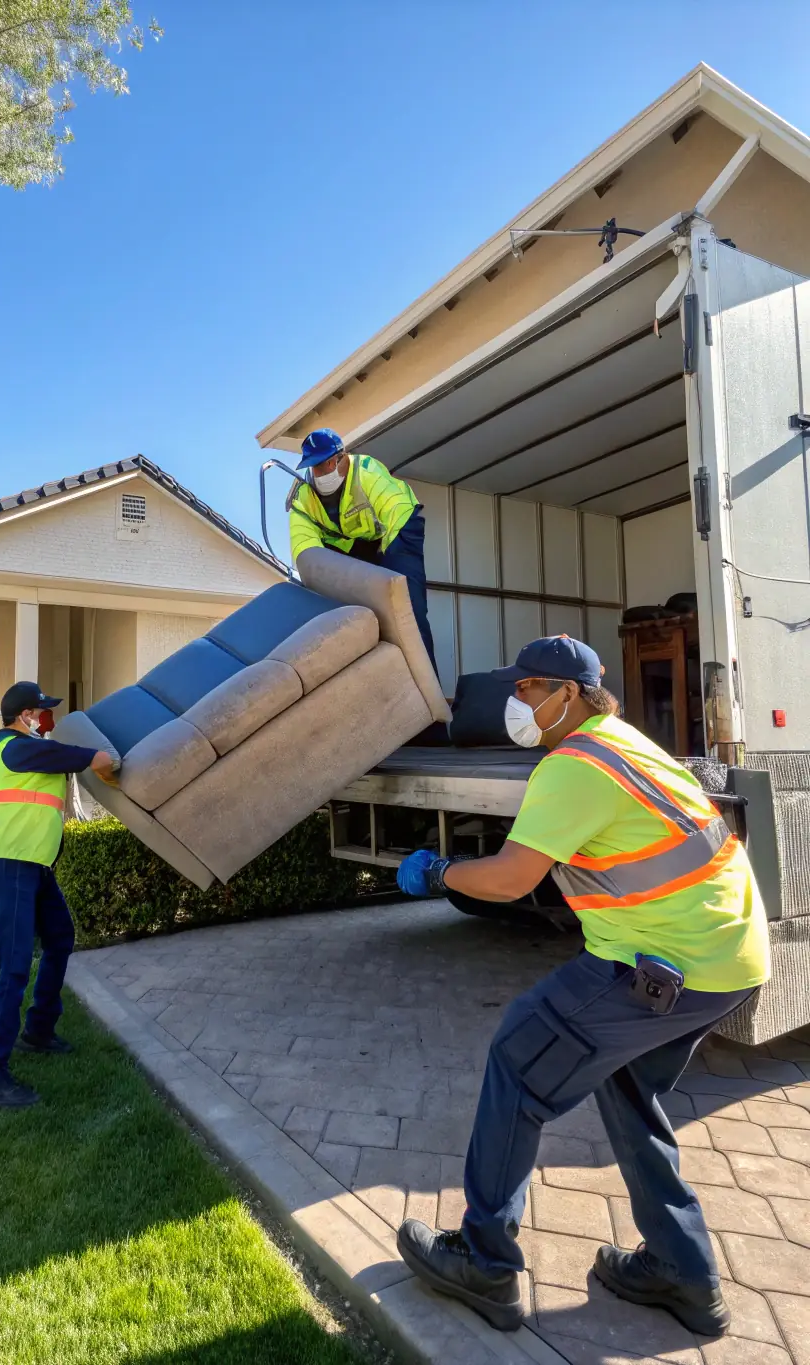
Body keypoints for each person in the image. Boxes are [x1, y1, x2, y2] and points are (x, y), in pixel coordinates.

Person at [393, 635, 770, 1336]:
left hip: (666, 962)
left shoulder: (575, 765)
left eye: (529, 687)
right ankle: (683, 1272)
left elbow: (509, 879)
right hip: (730, 958)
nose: (515, 700)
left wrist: (440, 873)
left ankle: (486, 1263)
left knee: (518, 1061)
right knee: (625, 1084)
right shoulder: (627, 743)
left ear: (569, 695)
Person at [0, 681, 117, 1109]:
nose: (45, 721)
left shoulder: (33, 751)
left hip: (32, 867)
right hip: (6, 866)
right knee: (13, 970)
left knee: (60, 938)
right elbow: (63, 756)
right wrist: (95, 757)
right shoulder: (14, 748)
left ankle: (38, 1030)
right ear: (24, 716)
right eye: (40, 713)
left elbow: (59, 761)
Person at [289, 428, 437, 676]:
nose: (320, 473)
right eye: (314, 467)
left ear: (340, 457)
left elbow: (396, 511)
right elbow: (305, 548)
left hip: (397, 532)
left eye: (326, 464)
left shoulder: (367, 472)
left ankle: (429, 695)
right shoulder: (303, 495)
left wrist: (390, 581)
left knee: (408, 614)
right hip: (349, 550)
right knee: (351, 622)